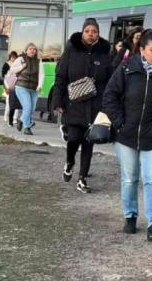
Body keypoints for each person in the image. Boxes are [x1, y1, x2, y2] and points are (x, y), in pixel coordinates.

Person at [102, 29, 152, 242]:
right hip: (126, 137)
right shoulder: (126, 69)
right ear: (142, 50)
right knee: (129, 179)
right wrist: (120, 123)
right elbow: (109, 97)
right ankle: (130, 216)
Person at [54, 18, 113, 193]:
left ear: (98, 34)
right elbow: (61, 77)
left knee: (89, 142)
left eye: (94, 31)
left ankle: (82, 179)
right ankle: (70, 162)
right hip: (74, 103)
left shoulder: (104, 53)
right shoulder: (71, 50)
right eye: (87, 31)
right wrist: (58, 100)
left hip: (96, 105)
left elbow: (111, 81)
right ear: (82, 32)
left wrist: (109, 105)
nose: (90, 34)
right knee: (73, 139)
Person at [9, 44, 43, 133]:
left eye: (34, 49)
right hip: (21, 86)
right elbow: (12, 70)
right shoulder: (21, 59)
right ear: (26, 50)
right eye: (30, 49)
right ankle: (27, 128)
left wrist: (40, 85)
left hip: (34, 88)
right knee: (27, 106)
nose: (32, 51)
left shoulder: (38, 61)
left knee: (32, 108)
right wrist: (22, 67)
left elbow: (42, 75)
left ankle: (22, 120)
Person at [2, 51, 20, 127]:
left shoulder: (19, 66)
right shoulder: (7, 65)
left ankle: (15, 118)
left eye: (15, 57)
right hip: (9, 87)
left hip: (18, 87)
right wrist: (6, 87)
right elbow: (4, 77)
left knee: (17, 104)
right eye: (12, 57)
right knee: (9, 104)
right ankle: (6, 116)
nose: (13, 59)